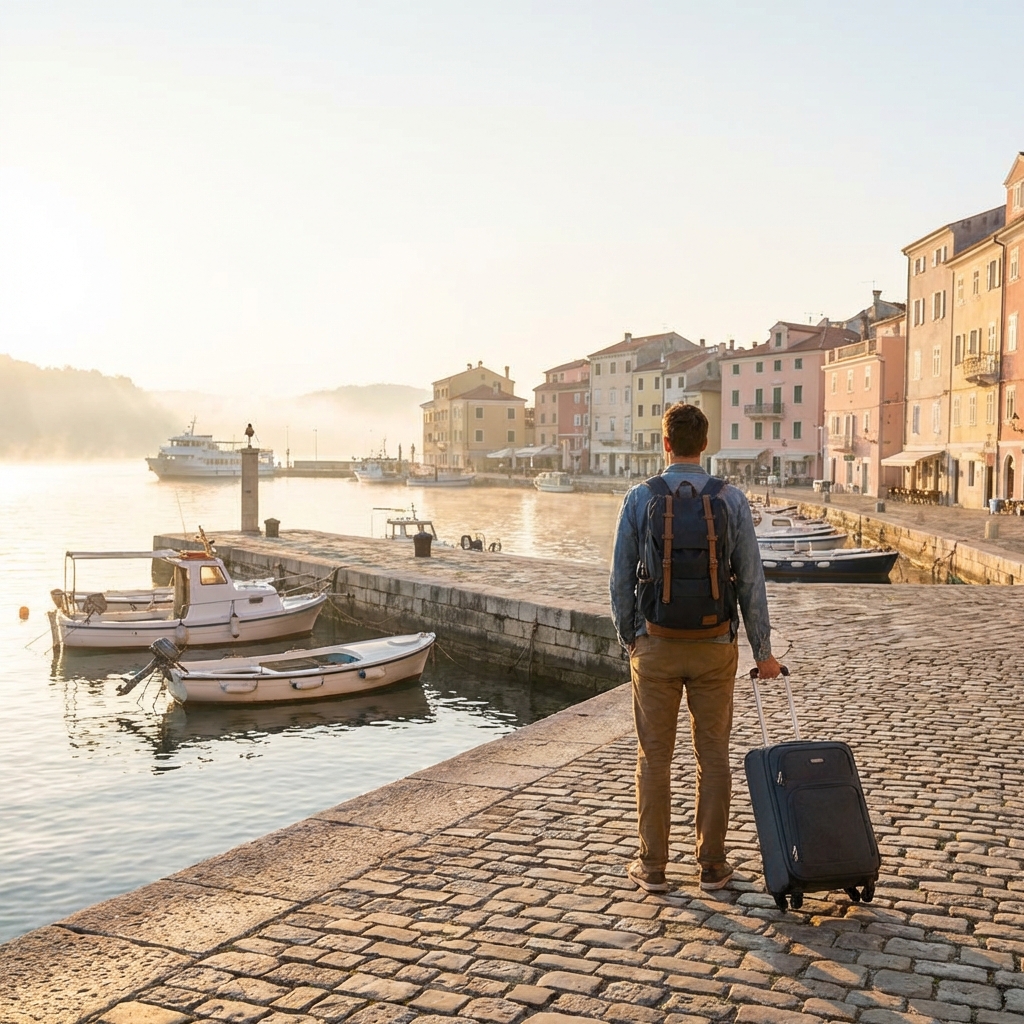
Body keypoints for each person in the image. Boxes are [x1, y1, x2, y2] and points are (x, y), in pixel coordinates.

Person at [610, 402, 782, 893]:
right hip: (714, 646)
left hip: (656, 646)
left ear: (665, 443)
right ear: (704, 445)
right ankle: (711, 865)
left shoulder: (639, 498)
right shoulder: (730, 499)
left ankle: (654, 867)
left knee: (654, 757)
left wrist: (632, 639)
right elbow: (751, 579)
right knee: (713, 755)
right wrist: (762, 651)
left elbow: (620, 579)